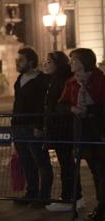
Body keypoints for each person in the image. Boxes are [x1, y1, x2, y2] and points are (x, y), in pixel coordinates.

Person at [58, 48, 105, 221]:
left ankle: (102, 205)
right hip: (81, 130)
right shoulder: (71, 82)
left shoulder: (100, 80)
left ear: (84, 62)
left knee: (101, 169)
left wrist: (90, 110)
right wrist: (73, 108)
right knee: (94, 168)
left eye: (74, 60)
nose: (71, 64)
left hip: (98, 129)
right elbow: (61, 105)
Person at [42, 52, 85, 212]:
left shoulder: (63, 80)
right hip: (58, 126)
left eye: (48, 61)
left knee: (67, 164)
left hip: (63, 127)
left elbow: (61, 104)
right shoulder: (55, 79)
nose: (45, 64)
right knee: (65, 163)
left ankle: (71, 197)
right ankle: (72, 196)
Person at [11, 47, 53, 206]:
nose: (17, 62)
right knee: (26, 161)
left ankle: (44, 196)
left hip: (33, 126)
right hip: (19, 126)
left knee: (41, 161)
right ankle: (32, 192)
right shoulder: (20, 79)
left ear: (30, 62)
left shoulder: (42, 80)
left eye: (21, 60)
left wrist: (39, 126)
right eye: (17, 59)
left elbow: (42, 106)